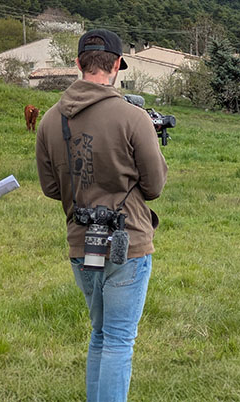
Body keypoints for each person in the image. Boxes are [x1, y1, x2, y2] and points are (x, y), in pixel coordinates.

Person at [36, 29, 168, 402]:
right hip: (128, 240)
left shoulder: (49, 120)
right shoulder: (133, 116)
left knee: (100, 333)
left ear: (77, 64)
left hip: (81, 240)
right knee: (119, 341)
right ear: (115, 66)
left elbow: (50, 188)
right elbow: (154, 185)